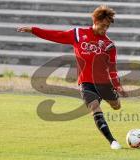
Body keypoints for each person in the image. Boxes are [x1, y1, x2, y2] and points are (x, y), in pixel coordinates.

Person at [17, 5, 128, 149]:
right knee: (94, 107)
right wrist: (34, 30)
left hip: (103, 83)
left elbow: (112, 69)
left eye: (107, 26)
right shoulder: (77, 34)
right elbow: (55, 35)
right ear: (95, 20)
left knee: (116, 106)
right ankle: (113, 141)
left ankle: (110, 101)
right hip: (86, 82)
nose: (105, 29)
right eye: (103, 25)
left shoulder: (109, 45)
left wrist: (118, 86)